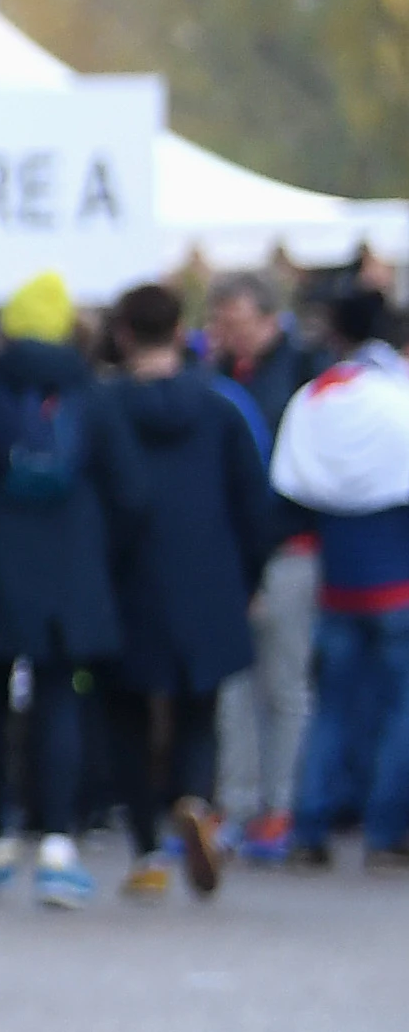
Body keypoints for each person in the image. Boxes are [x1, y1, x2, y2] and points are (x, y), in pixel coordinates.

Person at [0, 273, 131, 907]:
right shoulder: (90, 390)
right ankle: (56, 843)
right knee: (58, 699)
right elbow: (127, 489)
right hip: (69, 567)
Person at [99, 279, 280, 899]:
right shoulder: (221, 407)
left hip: (126, 581)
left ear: (122, 335)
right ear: (181, 331)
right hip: (207, 576)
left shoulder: (103, 409)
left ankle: (146, 847)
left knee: (125, 713)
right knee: (199, 708)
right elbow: (255, 504)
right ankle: (196, 801)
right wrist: (249, 576)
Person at [267, 286, 409, 871]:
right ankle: (386, 830)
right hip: (397, 575)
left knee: (329, 707)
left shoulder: (316, 398)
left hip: (338, 578)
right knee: (401, 710)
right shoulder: (395, 397)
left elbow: (290, 486)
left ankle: (310, 824)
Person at [203, 273, 323, 849]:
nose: (228, 334)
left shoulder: (303, 371)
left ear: (267, 317)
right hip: (231, 550)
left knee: (284, 683)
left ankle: (281, 803)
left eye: (237, 323)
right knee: (235, 687)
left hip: (287, 547)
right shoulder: (219, 377)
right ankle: (236, 800)